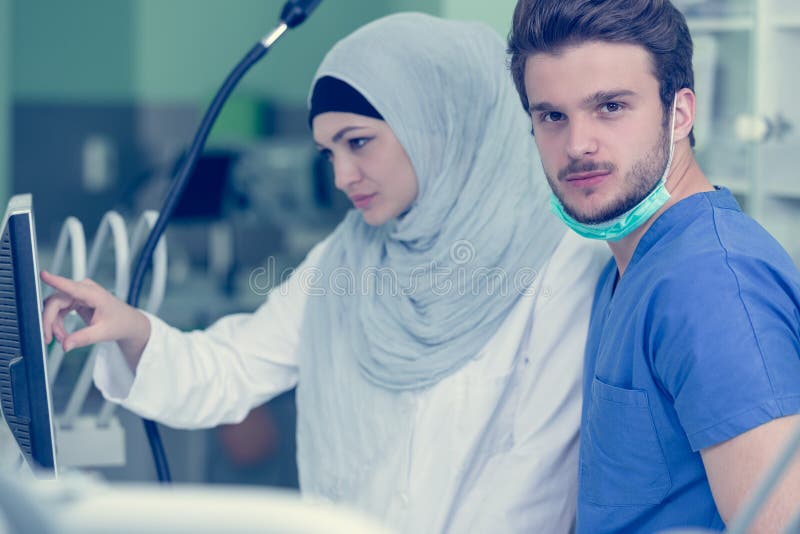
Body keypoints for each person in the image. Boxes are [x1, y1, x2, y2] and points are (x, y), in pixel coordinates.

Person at [41, 13, 609, 533]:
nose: (342, 176)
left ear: (440, 123)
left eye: (358, 143)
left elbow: (534, 475)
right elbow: (234, 369)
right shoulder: (346, 259)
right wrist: (132, 329)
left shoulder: (561, 261)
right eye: (328, 153)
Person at [507, 0, 800, 532]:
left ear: (680, 113)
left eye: (611, 107)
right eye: (552, 116)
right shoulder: (624, 268)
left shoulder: (711, 285)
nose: (577, 145)